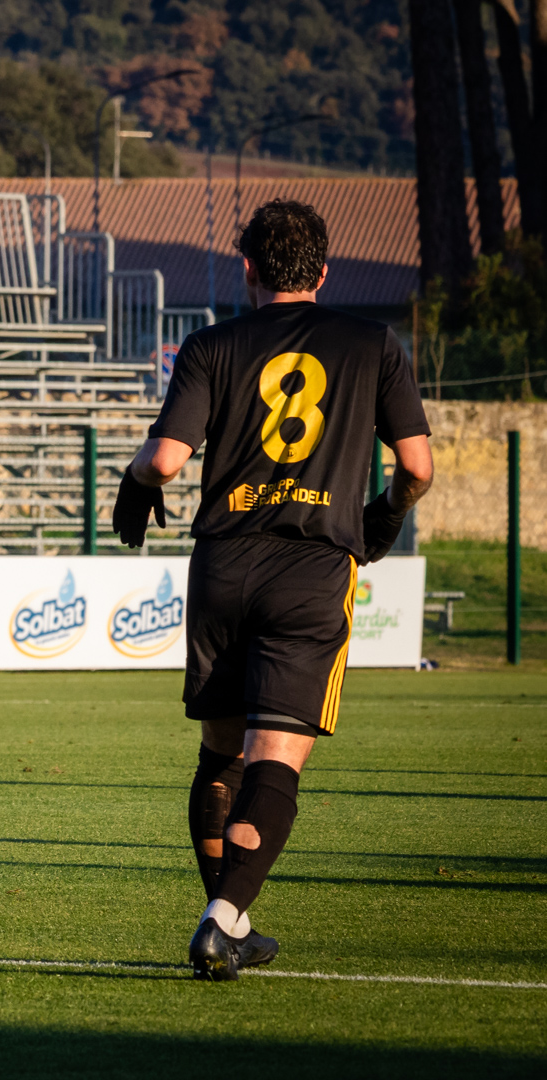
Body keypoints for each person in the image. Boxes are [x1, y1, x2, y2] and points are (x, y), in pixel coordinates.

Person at [112, 199, 433, 981]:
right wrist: (382, 519)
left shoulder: (210, 344)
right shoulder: (373, 344)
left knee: (219, 757)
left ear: (248, 269)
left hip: (222, 565)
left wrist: (132, 484)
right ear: (324, 273)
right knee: (274, 763)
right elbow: (417, 468)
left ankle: (232, 920)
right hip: (310, 567)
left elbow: (162, 463)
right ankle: (222, 921)